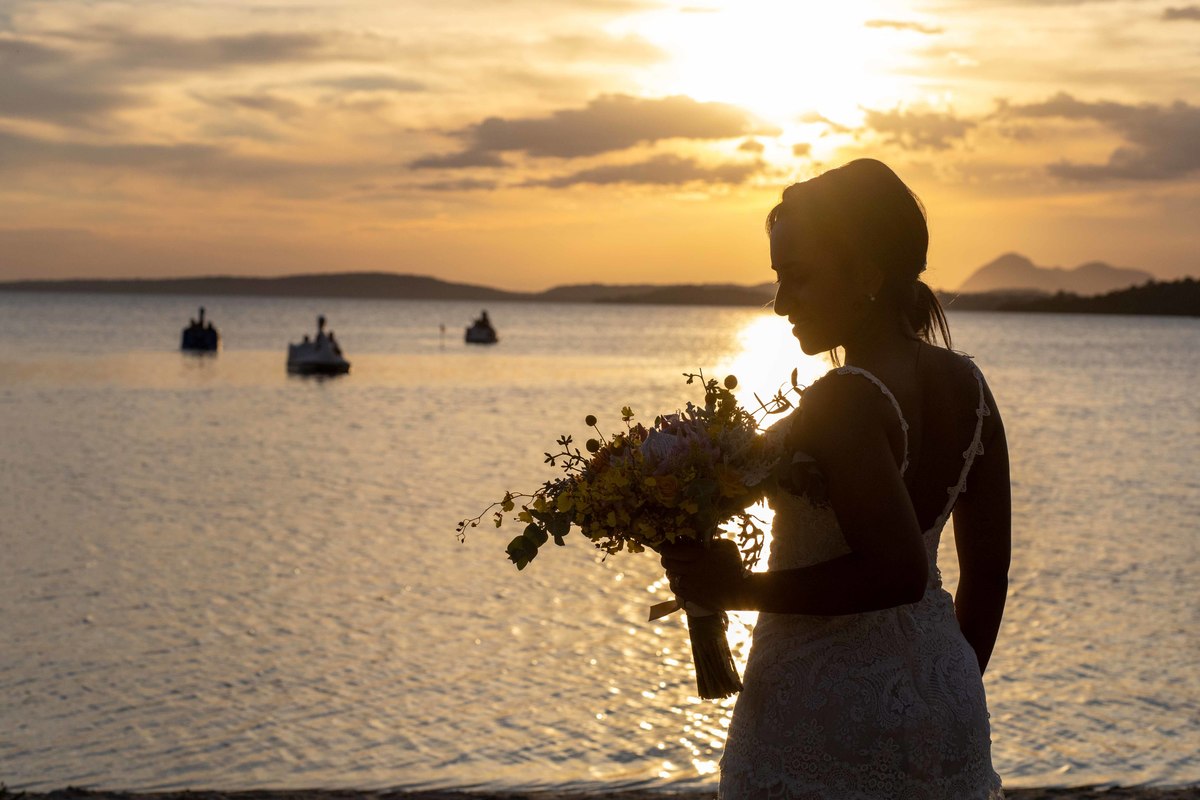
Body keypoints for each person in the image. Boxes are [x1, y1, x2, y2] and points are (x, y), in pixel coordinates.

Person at [661, 158, 1010, 799]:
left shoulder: (842, 401)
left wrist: (735, 586)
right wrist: (946, 684)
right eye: (778, 279)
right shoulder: (970, 386)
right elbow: (987, 577)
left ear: (868, 276)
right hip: (948, 701)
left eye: (798, 278)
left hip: (820, 716)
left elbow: (897, 571)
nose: (781, 302)